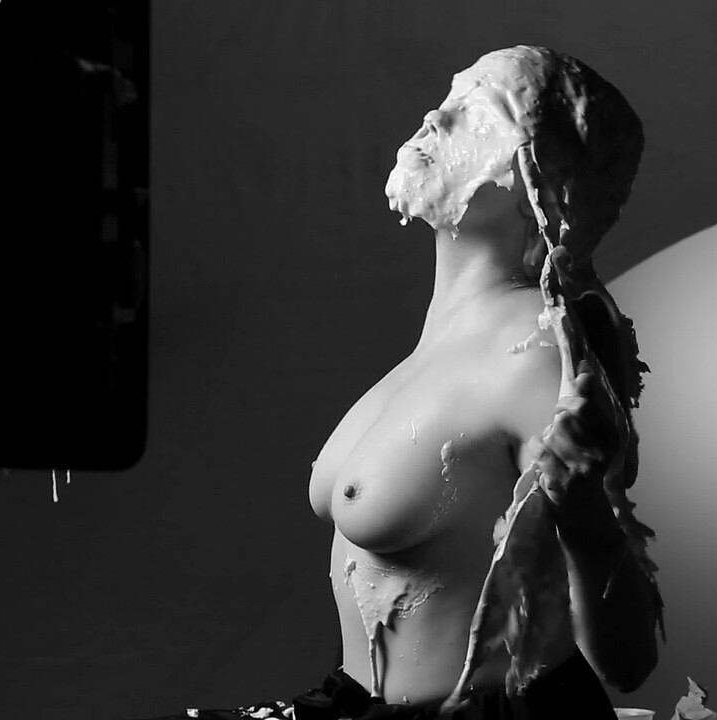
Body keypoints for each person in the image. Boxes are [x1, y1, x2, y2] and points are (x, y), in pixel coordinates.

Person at [148, 45, 663, 720]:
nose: (432, 119)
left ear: (538, 177)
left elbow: (627, 662)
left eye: (476, 114)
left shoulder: (534, 356)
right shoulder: (438, 349)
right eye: (449, 98)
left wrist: (586, 509)